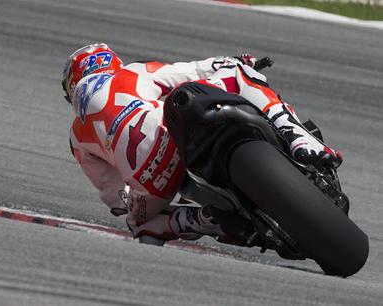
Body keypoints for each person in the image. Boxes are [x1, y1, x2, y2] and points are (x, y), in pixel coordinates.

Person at [61, 43, 343, 244]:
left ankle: (199, 220)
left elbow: (114, 197)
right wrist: (236, 60)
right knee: (235, 72)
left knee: (139, 224)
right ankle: (299, 138)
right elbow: (192, 70)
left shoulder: (77, 135)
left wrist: (132, 202)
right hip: (174, 136)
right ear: (109, 61)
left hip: (150, 183)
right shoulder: (130, 72)